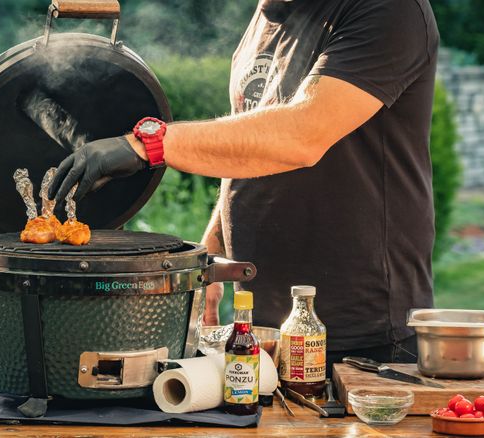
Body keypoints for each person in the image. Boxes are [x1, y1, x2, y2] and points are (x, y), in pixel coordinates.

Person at [49, 0, 439, 374]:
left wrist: (148, 144)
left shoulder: (388, 9)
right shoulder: (270, 11)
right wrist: (213, 246)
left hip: (361, 331)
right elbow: (248, 135)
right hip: (267, 320)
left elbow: (302, 135)